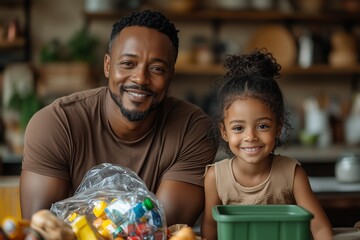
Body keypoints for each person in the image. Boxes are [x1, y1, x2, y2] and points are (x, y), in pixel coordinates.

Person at [20, 9, 218, 227]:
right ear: (107, 66)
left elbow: (158, 230)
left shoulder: (193, 130)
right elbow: (40, 229)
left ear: (170, 75)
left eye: (157, 68)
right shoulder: (56, 124)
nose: (140, 78)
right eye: (128, 64)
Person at [201, 49, 333, 240]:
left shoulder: (293, 174)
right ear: (224, 131)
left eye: (262, 126)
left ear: (278, 127)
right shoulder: (215, 177)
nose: (250, 136)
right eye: (238, 128)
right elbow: (210, 228)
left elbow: (320, 229)